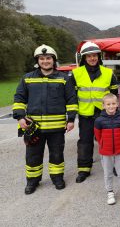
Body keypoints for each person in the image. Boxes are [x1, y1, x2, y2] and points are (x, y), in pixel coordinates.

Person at [13, 44, 78, 194]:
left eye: (48, 58)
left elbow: (71, 100)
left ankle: (57, 178)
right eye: (41, 58)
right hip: (34, 127)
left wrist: (71, 120)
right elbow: (19, 98)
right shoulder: (27, 79)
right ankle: (32, 181)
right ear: (38, 60)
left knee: (57, 154)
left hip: (57, 128)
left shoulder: (63, 79)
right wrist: (20, 116)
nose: (45, 61)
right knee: (33, 155)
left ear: (53, 60)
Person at [71, 41, 118, 183]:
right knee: (85, 141)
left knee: (109, 139)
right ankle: (84, 169)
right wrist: (71, 116)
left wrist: (113, 110)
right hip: (86, 113)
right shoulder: (76, 74)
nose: (92, 58)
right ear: (84, 58)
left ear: (99, 56)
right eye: (89, 56)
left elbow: (114, 94)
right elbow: (72, 96)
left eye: (95, 56)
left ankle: (114, 165)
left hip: (104, 113)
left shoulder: (109, 73)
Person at [94, 94, 120, 204]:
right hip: (106, 152)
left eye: (113, 103)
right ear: (103, 106)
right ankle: (110, 192)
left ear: (117, 104)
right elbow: (98, 137)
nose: (111, 106)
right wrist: (103, 145)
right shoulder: (99, 120)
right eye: (108, 104)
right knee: (107, 173)